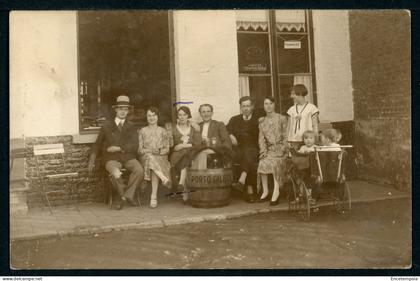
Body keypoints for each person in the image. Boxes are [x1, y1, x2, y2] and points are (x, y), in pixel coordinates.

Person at [88, 95, 144, 210]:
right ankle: (123, 196)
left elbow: (134, 145)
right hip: (111, 159)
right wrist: (92, 159)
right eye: (120, 109)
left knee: (139, 170)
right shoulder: (107, 126)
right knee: (115, 173)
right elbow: (98, 144)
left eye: (125, 109)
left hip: (127, 157)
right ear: (116, 110)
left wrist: (118, 148)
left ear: (128, 111)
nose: (123, 112)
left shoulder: (131, 126)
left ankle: (126, 196)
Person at [227, 96, 261, 203]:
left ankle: (244, 184)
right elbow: (225, 129)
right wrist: (230, 135)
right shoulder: (234, 119)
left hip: (255, 148)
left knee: (248, 153)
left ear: (252, 107)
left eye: (248, 106)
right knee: (246, 157)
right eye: (243, 106)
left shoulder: (258, 119)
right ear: (241, 107)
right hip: (239, 149)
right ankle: (248, 187)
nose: (246, 108)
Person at [257, 97, 289, 206]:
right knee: (263, 162)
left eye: (270, 103)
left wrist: (283, 148)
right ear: (263, 106)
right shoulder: (262, 121)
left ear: (274, 105)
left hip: (282, 150)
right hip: (270, 150)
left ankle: (276, 191)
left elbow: (286, 135)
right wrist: (263, 151)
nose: (268, 106)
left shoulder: (282, 118)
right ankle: (265, 191)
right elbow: (261, 139)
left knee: (275, 163)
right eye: (266, 104)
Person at [138, 107, 171, 208]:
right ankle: (162, 180)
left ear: (157, 117)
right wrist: (150, 151)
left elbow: (167, 149)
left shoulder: (163, 131)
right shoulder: (142, 131)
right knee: (149, 157)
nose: (151, 118)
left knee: (152, 165)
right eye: (149, 115)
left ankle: (153, 196)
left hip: (161, 158)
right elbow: (140, 150)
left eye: (154, 115)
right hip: (145, 158)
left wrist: (160, 151)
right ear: (146, 117)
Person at [170, 106, 202, 202]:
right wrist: (182, 146)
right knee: (185, 157)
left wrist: (183, 146)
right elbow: (172, 147)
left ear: (188, 116)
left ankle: (181, 185)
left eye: (184, 114)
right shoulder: (173, 129)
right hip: (177, 157)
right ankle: (182, 186)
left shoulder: (193, 128)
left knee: (187, 157)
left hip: (190, 155)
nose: (182, 117)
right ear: (177, 117)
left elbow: (197, 144)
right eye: (180, 115)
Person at [194, 104, 232, 169]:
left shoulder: (219, 124)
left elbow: (226, 141)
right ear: (200, 114)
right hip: (201, 150)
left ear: (212, 113)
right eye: (203, 112)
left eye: (208, 111)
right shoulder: (197, 126)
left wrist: (221, 150)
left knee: (202, 155)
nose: (206, 114)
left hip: (216, 151)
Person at [287, 84, 319, 150]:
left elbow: (315, 125)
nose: (291, 96)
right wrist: (287, 140)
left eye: (293, 94)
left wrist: (315, 139)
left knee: (308, 158)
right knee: (296, 158)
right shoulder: (291, 109)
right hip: (294, 140)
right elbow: (289, 126)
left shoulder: (312, 108)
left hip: (308, 140)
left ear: (300, 93)